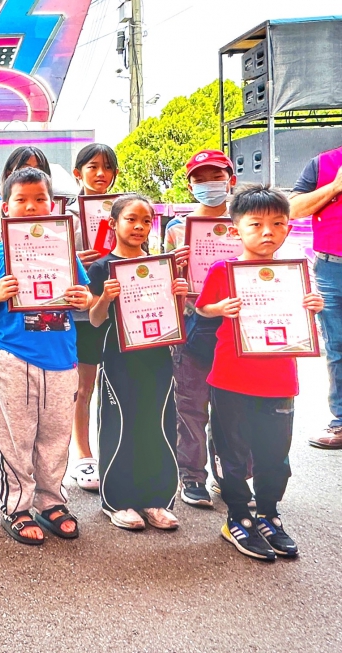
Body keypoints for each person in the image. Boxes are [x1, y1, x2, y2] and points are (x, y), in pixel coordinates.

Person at [196, 185, 323, 560]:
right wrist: (219, 308)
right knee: (231, 453)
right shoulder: (223, 270)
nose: (268, 232)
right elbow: (202, 308)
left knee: (275, 455)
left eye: (278, 223)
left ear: (288, 228)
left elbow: (304, 320)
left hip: (280, 380)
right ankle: (238, 518)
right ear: (236, 228)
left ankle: (268, 514)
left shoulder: (296, 272)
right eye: (256, 224)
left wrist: (313, 305)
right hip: (230, 379)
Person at [0, 168, 92, 545]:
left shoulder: (64, 251)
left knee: (56, 436)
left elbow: (86, 298)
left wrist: (83, 299)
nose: (31, 206)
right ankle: (17, 507)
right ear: (6, 208)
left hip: (62, 359)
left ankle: (51, 501)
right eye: (21, 200)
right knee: (15, 437)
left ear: (52, 205)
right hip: (14, 358)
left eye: (40, 199)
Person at [88, 194, 187, 531]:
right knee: (119, 426)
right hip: (118, 361)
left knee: (157, 425)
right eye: (131, 219)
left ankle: (157, 499)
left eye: (146, 221)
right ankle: (117, 501)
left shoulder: (162, 266)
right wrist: (106, 297)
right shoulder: (102, 268)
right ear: (113, 223)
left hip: (157, 357)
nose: (139, 226)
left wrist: (180, 296)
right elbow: (96, 319)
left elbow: (174, 319)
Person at [163, 150, 235, 508]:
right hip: (193, 327)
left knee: (233, 407)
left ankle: (232, 475)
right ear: (190, 186)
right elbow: (166, 282)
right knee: (190, 406)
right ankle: (192, 476)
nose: (209, 184)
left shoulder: (246, 222)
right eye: (200, 178)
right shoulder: (177, 229)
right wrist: (176, 268)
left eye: (216, 176)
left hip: (237, 331)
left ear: (231, 180)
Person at [67, 143, 120, 493]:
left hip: (120, 311)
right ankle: (83, 455)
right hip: (83, 314)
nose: (100, 173)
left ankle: (115, 453)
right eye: (92, 167)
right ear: (78, 173)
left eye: (107, 167)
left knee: (116, 386)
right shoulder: (66, 216)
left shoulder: (126, 209)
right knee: (83, 387)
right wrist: (75, 258)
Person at [0, 146, 53, 356]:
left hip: (54, 341)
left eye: (39, 169)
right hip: (11, 332)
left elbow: (84, 296)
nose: (31, 207)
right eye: (23, 167)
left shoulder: (58, 233)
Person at [289, 146, 342, 448]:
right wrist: (335, 186)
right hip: (332, 267)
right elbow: (293, 208)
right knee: (337, 346)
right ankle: (341, 421)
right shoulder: (323, 163)